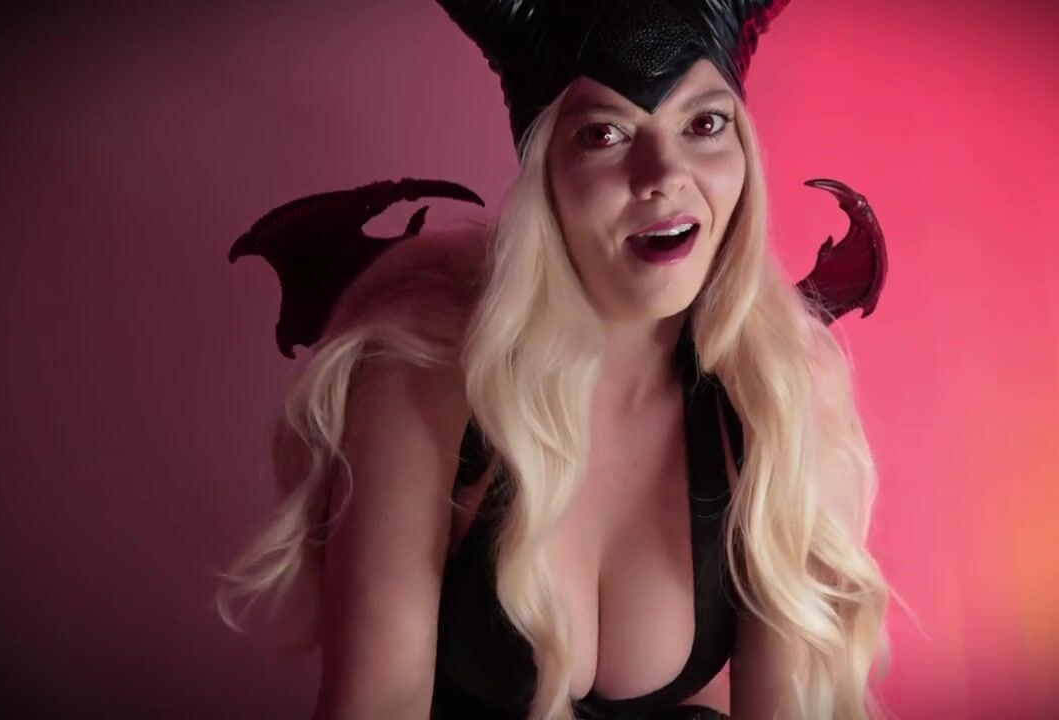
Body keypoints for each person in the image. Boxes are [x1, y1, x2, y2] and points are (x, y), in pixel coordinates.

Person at [216, 3, 895, 719]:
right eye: (603, 133)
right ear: (544, 169)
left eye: (703, 124)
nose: (663, 174)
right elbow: (378, 705)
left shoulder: (782, 389)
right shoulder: (422, 382)